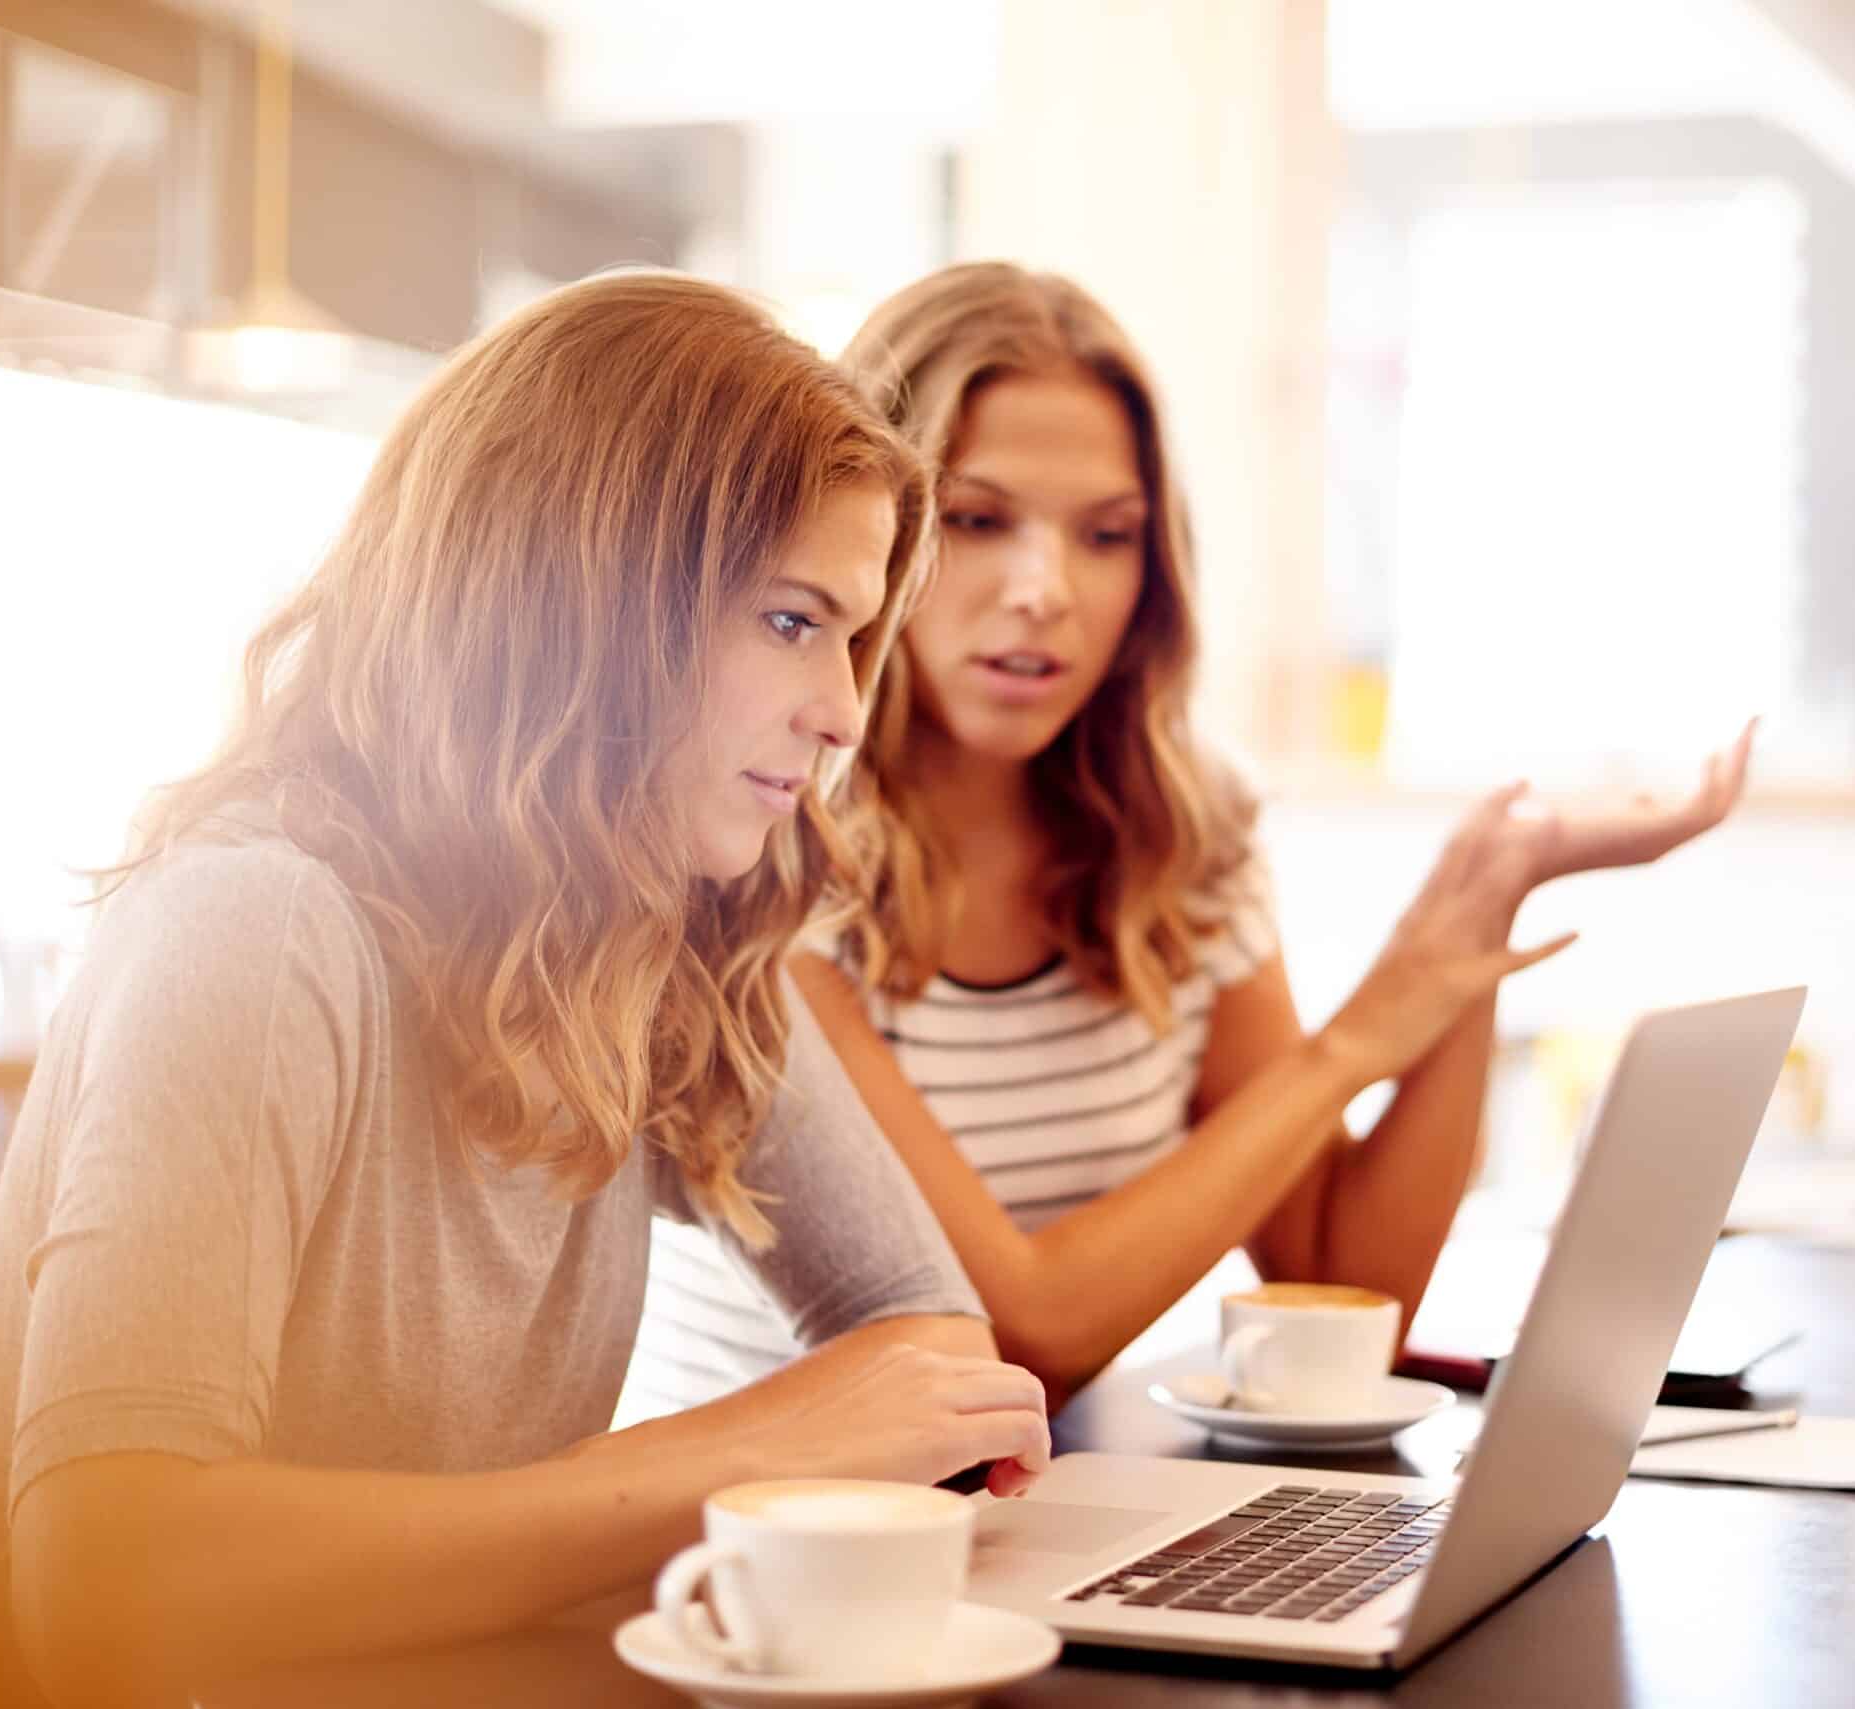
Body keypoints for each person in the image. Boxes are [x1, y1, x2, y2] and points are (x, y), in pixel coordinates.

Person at [0, 272, 1048, 1709]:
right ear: (585, 601)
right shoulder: (259, 924)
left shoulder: (667, 927)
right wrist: (733, 1453)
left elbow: (933, 1349)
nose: (840, 709)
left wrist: (804, 1438)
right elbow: (103, 1586)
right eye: (788, 621)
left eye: (852, 634)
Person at [625, 263, 1752, 1416]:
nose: (1043, 589)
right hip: (778, 1557)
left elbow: (1344, 1283)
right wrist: (1360, 1035)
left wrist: (1479, 907)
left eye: (1106, 535)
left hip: (1035, 1514)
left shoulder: (1180, 832)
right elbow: (1013, 1331)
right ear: (875, 529)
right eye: (975, 519)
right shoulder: (759, 842)